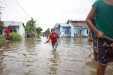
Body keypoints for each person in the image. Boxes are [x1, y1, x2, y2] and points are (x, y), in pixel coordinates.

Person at [86, 0, 113, 75]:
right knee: (102, 65)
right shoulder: (98, 4)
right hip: (102, 39)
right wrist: (96, 31)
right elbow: (88, 19)